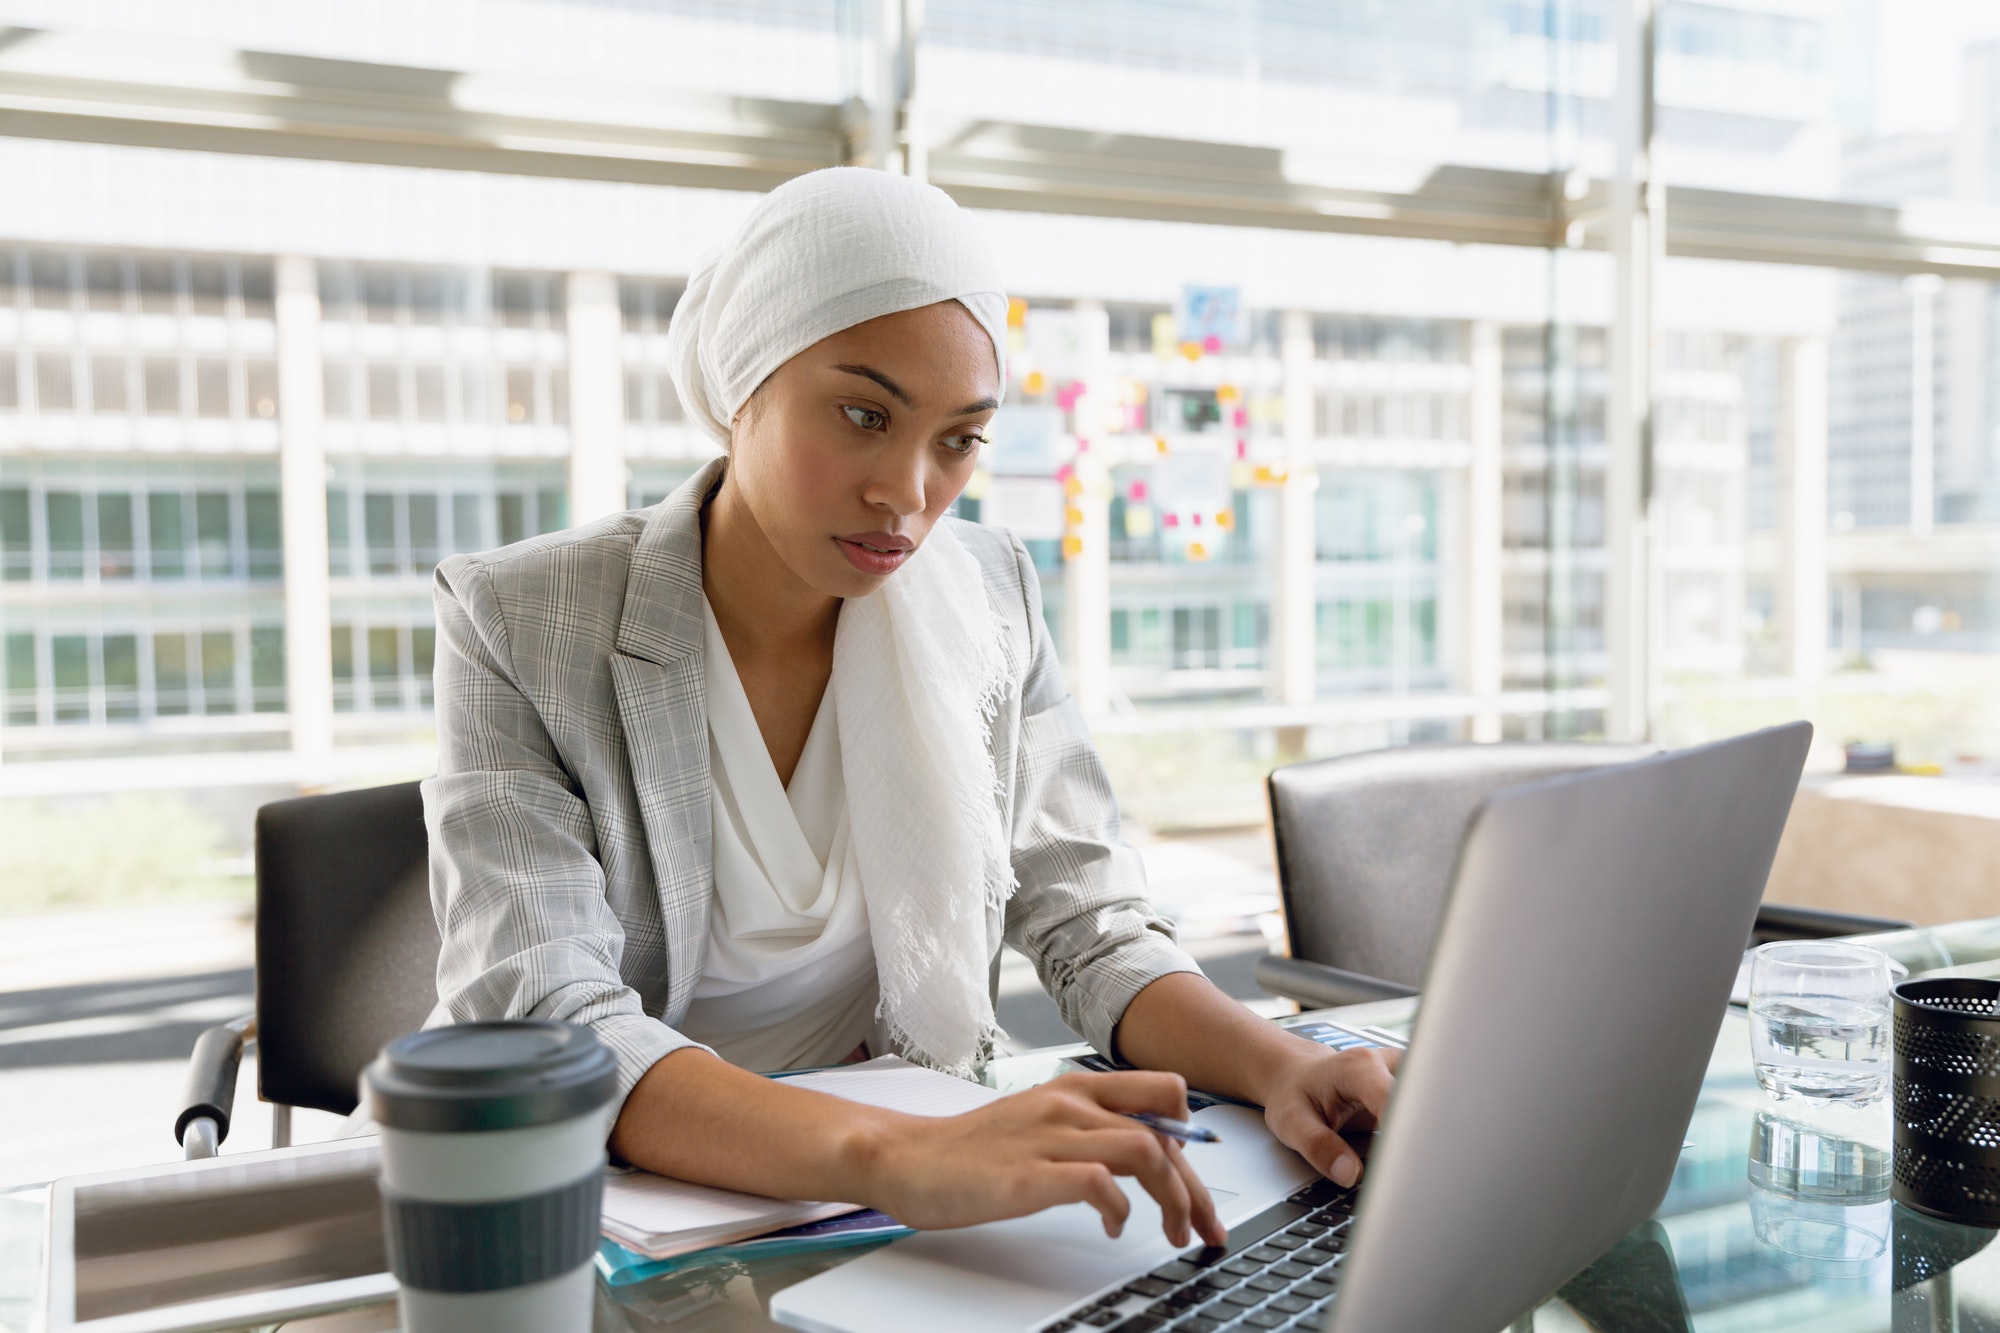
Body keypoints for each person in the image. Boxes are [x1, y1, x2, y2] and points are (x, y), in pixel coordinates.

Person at [425, 167, 1396, 1250]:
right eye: (861, 414)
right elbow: (553, 1027)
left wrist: (1285, 1066)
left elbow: (1088, 923)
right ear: (743, 386)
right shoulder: (522, 617)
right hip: (607, 1216)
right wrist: (897, 1153)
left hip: (880, 1200)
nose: (907, 492)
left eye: (957, 438)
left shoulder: (984, 594)